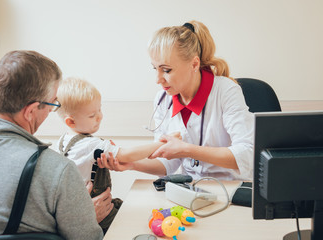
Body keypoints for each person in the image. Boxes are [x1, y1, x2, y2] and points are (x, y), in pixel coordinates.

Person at [0, 51, 103, 239]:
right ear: (30, 111)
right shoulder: (58, 171)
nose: (51, 111)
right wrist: (87, 218)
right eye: (52, 104)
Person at [98, 20, 254, 181]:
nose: (158, 80)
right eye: (155, 69)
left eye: (166, 70)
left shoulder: (225, 91)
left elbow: (246, 154)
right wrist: (132, 164)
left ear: (194, 64)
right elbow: (166, 164)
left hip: (231, 189)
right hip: (190, 189)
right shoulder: (163, 100)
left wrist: (187, 150)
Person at [55, 77, 180, 233]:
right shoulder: (91, 145)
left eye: (99, 109)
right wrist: (162, 144)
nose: (100, 117)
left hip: (85, 204)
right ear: (71, 122)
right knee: (133, 225)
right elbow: (127, 155)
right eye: (92, 115)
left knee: (125, 207)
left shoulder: (63, 141)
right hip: (98, 211)